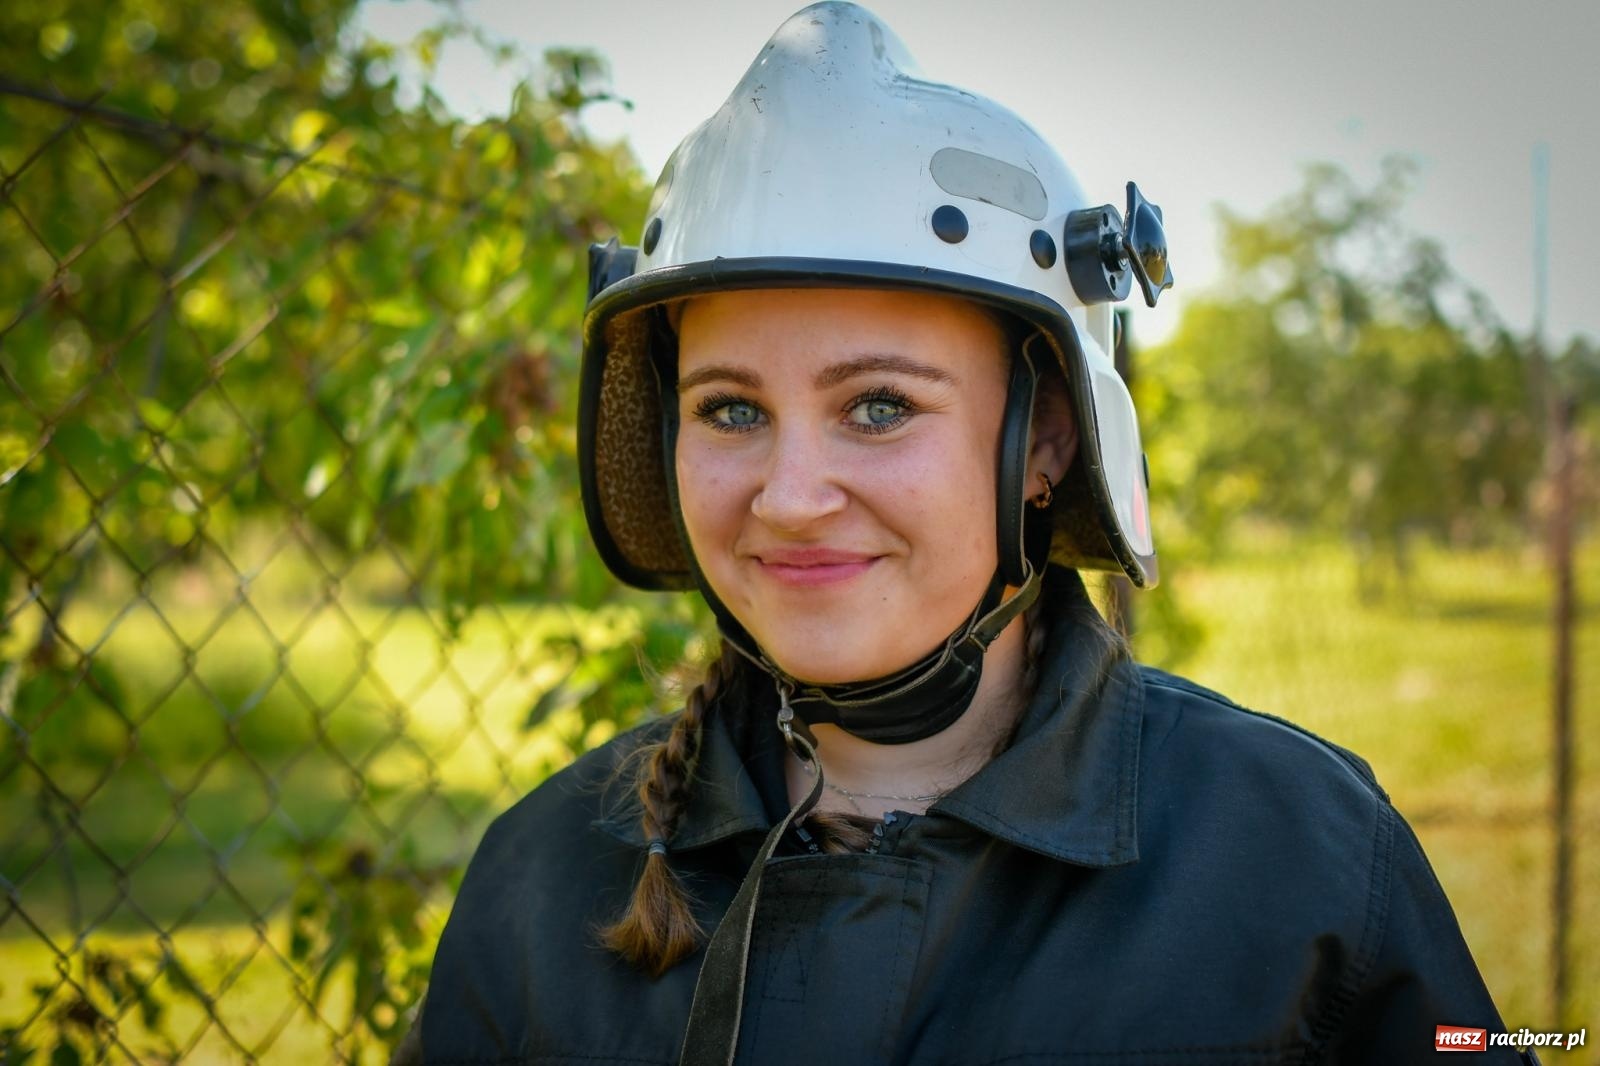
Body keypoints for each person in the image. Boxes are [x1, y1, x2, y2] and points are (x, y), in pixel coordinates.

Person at [403, 4, 1531, 1064]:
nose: (790, 497)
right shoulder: (544, 878)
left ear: (1048, 439)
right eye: (731, 410)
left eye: (878, 405)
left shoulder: (1299, 861)